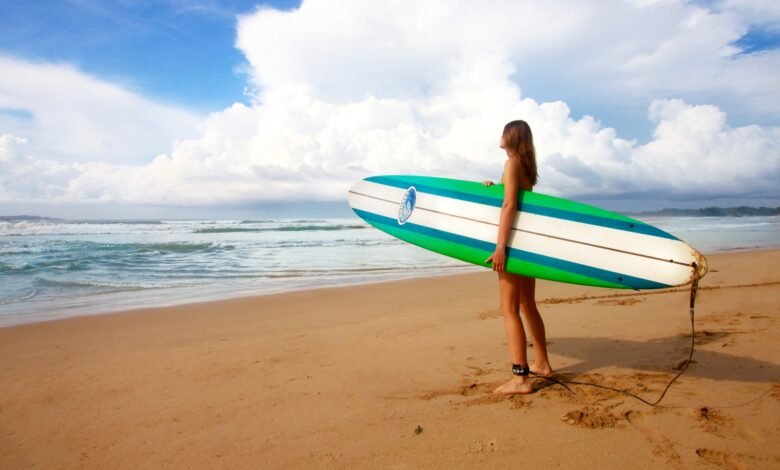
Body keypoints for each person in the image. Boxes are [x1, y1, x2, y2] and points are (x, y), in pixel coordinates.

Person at [483, 120, 553, 395]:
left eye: (503, 132)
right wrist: (493, 187)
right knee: (528, 305)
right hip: (526, 245)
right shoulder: (524, 168)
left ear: (510, 136)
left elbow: (510, 205)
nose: (499, 136)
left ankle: (520, 378)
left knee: (509, 309)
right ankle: (542, 364)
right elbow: (512, 197)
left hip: (511, 244)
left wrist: (500, 247)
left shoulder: (511, 164)